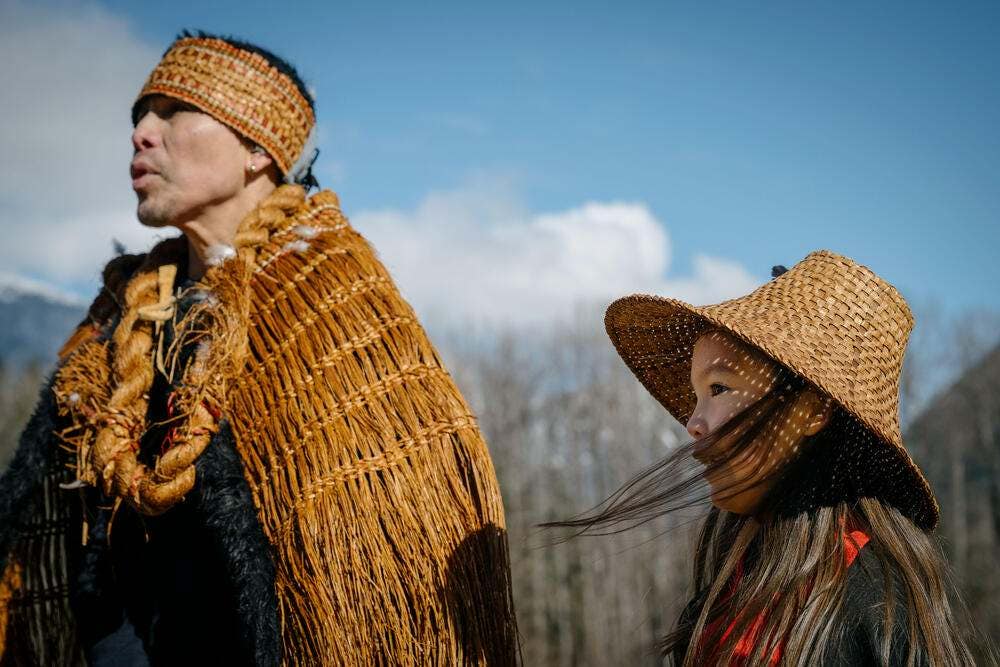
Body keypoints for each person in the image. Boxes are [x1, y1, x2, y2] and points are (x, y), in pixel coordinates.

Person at [0, 31, 517, 665]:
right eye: (139, 118)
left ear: (255, 148)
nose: (142, 134)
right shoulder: (120, 319)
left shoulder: (335, 309)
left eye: (175, 112)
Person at [548, 250, 978, 665]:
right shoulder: (728, 589)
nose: (693, 424)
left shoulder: (875, 604)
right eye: (699, 395)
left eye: (718, 389)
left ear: (812, 409)